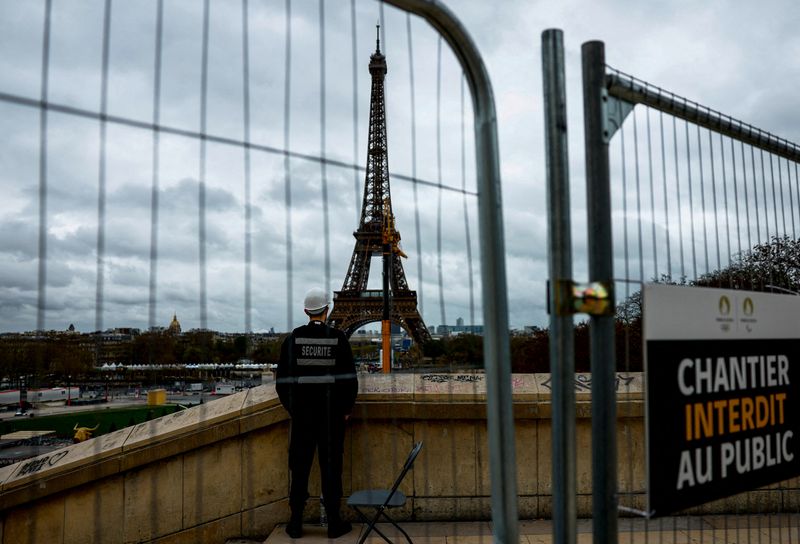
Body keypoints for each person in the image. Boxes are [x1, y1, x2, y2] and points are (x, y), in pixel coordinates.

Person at [276, 287, 358, 539]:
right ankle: (334, 522)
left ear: (305, 311)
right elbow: (349, 380)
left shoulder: (293, 339)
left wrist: (294, 410)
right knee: (331, 470)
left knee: (299, 469)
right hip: (331, 417)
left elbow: (283, 382)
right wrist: (344, 410)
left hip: (303, 418)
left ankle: (295, 522)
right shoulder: (338, 338)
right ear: (328, 310)